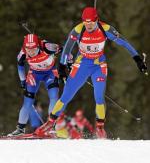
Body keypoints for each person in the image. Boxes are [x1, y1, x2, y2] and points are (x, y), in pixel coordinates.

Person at [35, 7, 147, 138]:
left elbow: (124, 43)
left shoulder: (106, 29)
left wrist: (138, 59)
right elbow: (67, 48)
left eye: (91, 22)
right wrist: (62, 66)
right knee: (66, 96)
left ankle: (100, 128)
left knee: (99, 97)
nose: (88, 25)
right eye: (85, 22)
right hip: (82, 64)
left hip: (99, 65)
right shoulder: (78, 29)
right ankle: (50, 123)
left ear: (96, 20)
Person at [8, 33, 60, 136]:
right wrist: (23, 81)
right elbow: (20, 66)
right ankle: (20, 129)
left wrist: (68, 62)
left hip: (50, 73)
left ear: (38, 46)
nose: (31, 52)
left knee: (54, 96)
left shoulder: (47, 46)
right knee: (28, 101)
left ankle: (51, 126)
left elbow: (65, 50)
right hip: (35, 74)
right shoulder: (22, 53)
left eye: (34, 49)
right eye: (28, 49)